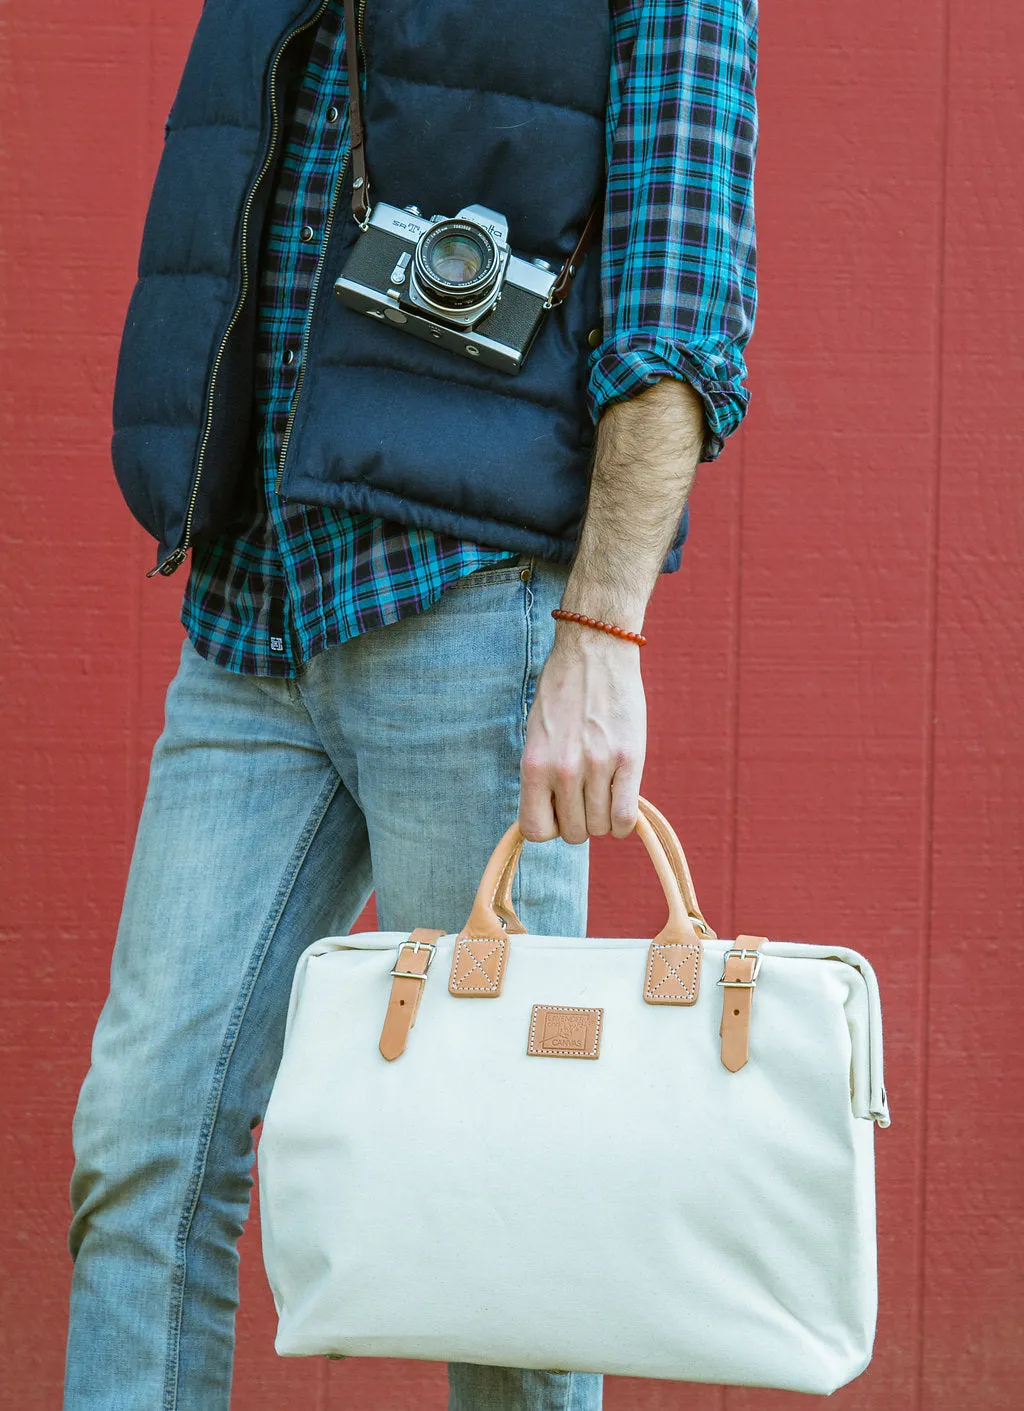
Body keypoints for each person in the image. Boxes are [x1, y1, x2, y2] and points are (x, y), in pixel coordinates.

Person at [63, 1, 757, 1407]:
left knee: (499, 1179)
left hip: (470, 606)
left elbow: (678, 305)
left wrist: (602, 630)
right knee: (140, 1151)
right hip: (250, 606)